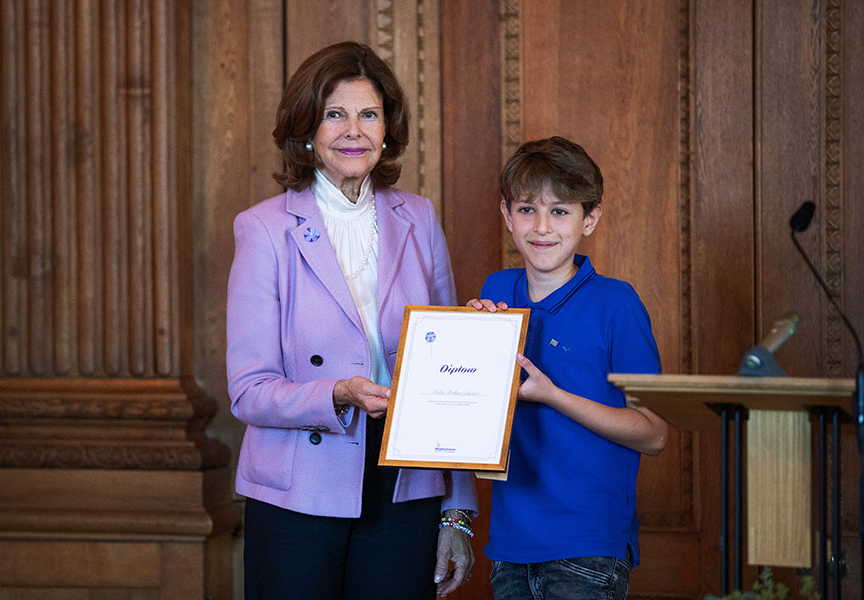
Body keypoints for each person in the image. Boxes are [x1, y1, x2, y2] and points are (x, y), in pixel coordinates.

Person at [226, 41, 478, 599]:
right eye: (335, 114)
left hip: (406, 481)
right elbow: (248, 391)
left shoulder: (419, 216)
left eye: (368, 114)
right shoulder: (263, 229)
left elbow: (450, 379)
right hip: (299, 489)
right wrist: (336, 392)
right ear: (306, 129)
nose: (353, 131)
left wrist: (456, 513)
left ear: (387, 128)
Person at [467, 136, 668, 600]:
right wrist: (467, 346)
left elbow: (655, 434)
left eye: (560, 211)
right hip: (510, 546)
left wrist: (552, 395)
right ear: (506, 215)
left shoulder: (617, 303)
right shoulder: (496, 292)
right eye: (526, 210)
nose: (541, 227)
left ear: (590, 218)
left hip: (589, 548)